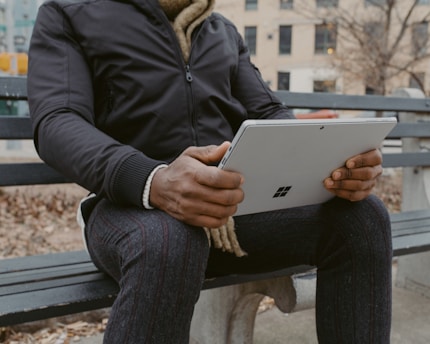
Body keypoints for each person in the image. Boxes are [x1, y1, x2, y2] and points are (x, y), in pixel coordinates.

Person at [27, 0, 392, 343]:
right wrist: (153, 180)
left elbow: (267, 113)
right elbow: (58, 121)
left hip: (230, 213)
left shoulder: (221, 30)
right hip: (128, 207)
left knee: (362, 217)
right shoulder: (69, 14)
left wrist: (331, 165)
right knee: (169, 239)